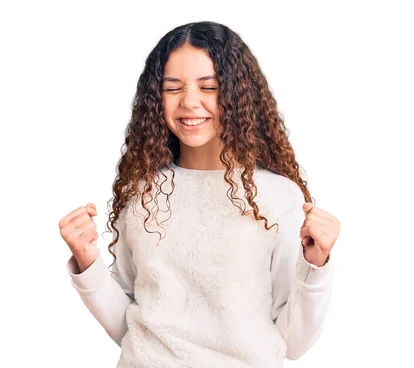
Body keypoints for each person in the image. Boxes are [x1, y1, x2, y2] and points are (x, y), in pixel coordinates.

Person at [57, 21, 340, 367]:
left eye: (209, 87)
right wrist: (88, 262)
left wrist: (316, 264)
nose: (190, 102)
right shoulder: (141, 194)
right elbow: (129, 326)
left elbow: (292, 342)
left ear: (237, 94)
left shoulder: (279, 198)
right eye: (172, 88)